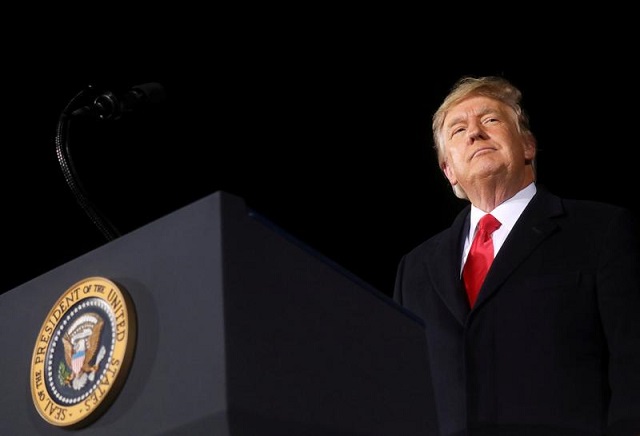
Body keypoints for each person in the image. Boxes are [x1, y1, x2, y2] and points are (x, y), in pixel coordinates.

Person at [393, 75, 640, 436]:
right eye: (458, 130)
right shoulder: (413, 269)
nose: (474, 133)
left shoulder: (601, 230)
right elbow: (401, 392)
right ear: (449, 172)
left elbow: (633, 365)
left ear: (527, 145)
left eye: (490, 120)